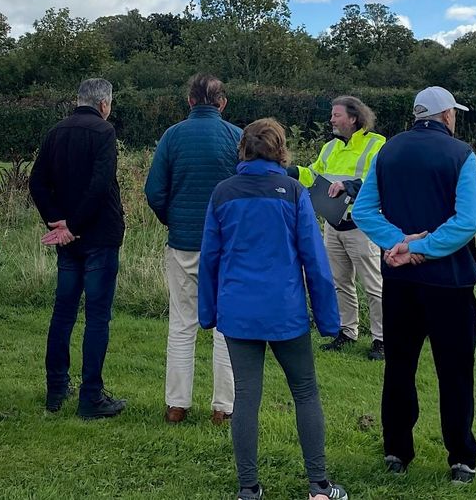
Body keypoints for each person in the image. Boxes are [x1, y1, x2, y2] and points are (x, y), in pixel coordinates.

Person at [199, 118, 348, 500]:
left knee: (246, 396)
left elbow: (210, 259)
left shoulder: (222, 193)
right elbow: (314, 261)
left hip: (238, 311)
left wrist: (207, 312)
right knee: (305, 392)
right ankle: (318, 485)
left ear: (243, 149)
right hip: (286, 312)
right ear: (281, 150)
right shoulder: (293, 192)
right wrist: (330, 320)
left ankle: (248, 489)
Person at [352, 86, 476, 486]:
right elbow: (466, 222)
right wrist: (419, 246)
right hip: (450, 283)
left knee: (400, 367)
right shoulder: (462, 154)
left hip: (400, 281)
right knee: (455, 372)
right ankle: (460, 457)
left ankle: (396, 451)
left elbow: (363, 210)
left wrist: (399, 243)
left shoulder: (387, 151)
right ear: (446, 116)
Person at [144, 73, 241, 425]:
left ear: (189, 101)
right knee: (225, 326)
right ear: (222, 102)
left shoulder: (173, 136)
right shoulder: (236, 136)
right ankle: (223, 408)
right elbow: (245, 189)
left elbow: (154, 190)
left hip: (183, 242)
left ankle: (177, 405)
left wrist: (173, 220)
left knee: (182, 324)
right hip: (226, 245)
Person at [29, 78, 126, 419]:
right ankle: (91, 395)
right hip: (98, 234)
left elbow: (36, 181)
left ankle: (56, 388)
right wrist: (73, 225)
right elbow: (101, 184)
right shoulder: (104, 132)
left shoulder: (55, 131)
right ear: (104, 104)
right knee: (97, 316)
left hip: (67, 239)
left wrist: (57, 221)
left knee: (63, 312)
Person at [291, 96, 386, 360]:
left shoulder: (376, 144)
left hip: (361, 225)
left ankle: (382, 339)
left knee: (373, 285)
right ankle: (347, 332)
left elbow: (378, 177)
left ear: (354, 118)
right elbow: (313, 174)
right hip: (333, 225)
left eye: (336, 115)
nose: (331, 119)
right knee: (339, 282)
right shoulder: (330, 147)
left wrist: (350, 185)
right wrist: (288, 171)